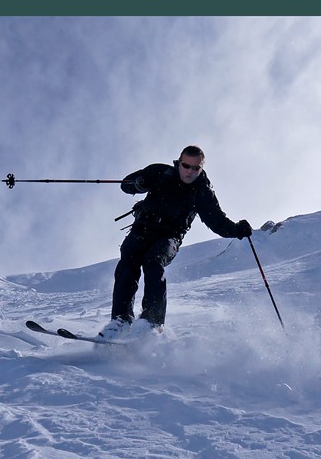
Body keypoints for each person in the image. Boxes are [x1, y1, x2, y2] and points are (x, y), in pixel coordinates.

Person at [101, 145, 252, 339]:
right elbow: (126, 184)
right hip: (143, 228)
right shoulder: (159, 172)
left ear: (201, 168)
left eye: (195, 168)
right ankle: (121, 320)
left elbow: (217, 222)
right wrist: (138, 184)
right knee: (128, 258)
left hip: (169, 237)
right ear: (179, 162)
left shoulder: (202, 192)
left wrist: (237, 229)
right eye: (186, 165)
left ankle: (151, 323)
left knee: (154, 261)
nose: (189, 171)